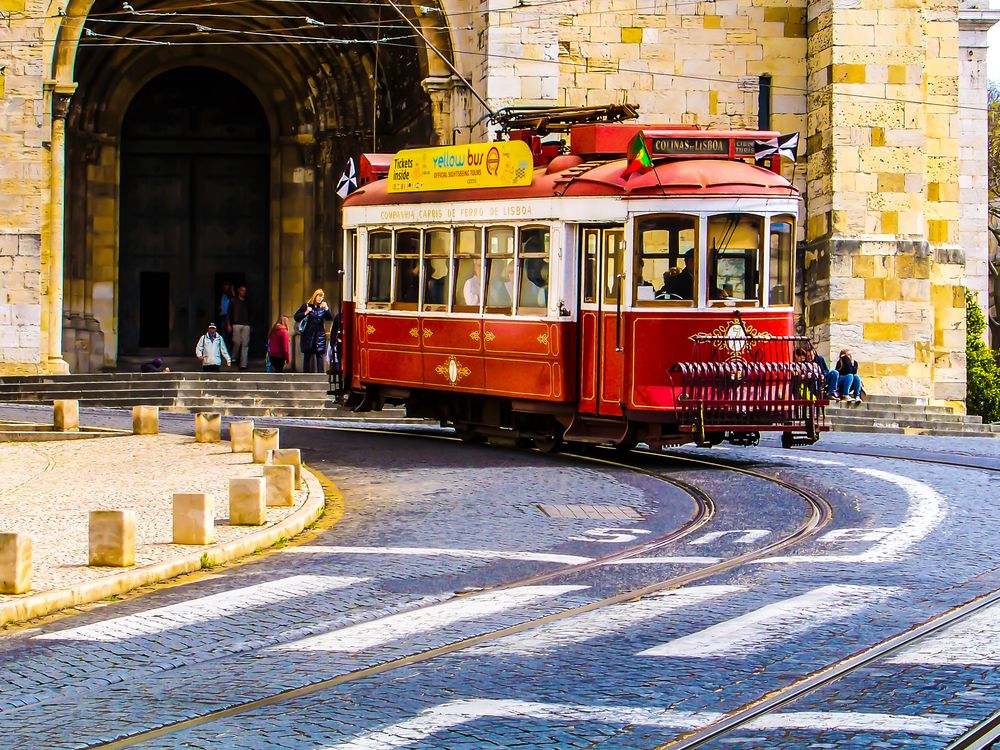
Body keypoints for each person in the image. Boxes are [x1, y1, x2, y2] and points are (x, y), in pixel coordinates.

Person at [294, 288, 334, 373]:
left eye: (322, 297)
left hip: (319, 334)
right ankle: (306, 374)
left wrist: (326, 308)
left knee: (319, 354)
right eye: (319, 296)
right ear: (315, 296)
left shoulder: (322, 307)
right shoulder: (307, 305)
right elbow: (296, 317)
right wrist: (306, 312)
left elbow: (329, 318)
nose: (320, 298)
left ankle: (320, 374)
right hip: (308, 334)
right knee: (307, 354)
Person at [228, 284, 252, 370]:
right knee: (237, 342)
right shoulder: (233, 300)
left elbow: (251, 313)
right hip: (236, 324)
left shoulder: (247, 301)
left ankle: (243, 364)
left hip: (246, 324)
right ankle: (234, 357)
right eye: (242, 290)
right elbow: (229, 313)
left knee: (245, 344)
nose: (243, 292)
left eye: (245, 291)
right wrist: (229, 324)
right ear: (239, 291)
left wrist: (250, 325)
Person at [217, 282, 233, 347]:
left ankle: (228, 348)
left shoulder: (230, 297)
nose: (226, 288)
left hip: (229, 316)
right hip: (222, 315)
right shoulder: (222, 295)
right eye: (224, 286)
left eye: (227, 287)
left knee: (228, 334)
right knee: (223, 333)